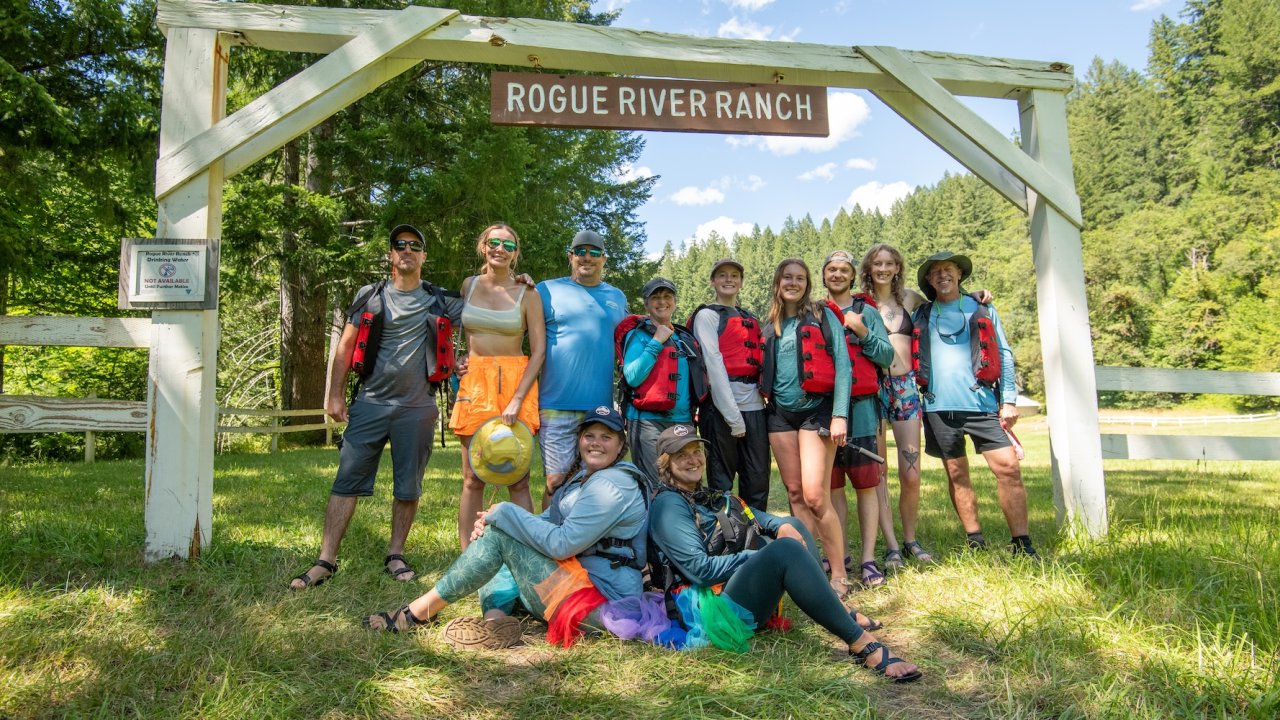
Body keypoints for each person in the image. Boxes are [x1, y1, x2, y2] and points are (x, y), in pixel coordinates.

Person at [646, 424, 921, 682]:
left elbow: (758, 517)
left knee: (792, 526)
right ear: (665, 463)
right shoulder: (669, 505)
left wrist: (780, 526)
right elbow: (700, 571)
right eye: (681, 455)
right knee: (784, 550)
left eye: (696, 452)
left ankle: (840, 609)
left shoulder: (703, 494)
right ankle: (862, 645)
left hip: (726, 589)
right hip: (707, 610)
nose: (693, 460)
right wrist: (756, 556)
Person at [363, 406, 651, 650]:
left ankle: (418, 613)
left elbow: (562, 544)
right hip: (577, 583)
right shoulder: (585, 478)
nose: (595, 443)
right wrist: (495, 519)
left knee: (502, 530)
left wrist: (504, 513)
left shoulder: (614, 485)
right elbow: (546, 521)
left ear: (620, 444)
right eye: (589, 435)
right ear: (579, 440)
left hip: (601, 607)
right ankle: (496, 623)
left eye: (606, 437)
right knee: (501, 530)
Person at [290, 224, 463, 589]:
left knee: (408, 485)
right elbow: (346, 346)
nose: (407, 250)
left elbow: (491, 304)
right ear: (390, 255)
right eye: (400, 245)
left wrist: (520, 279)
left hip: (418, 406)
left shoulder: (440, 300)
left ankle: (396, 553)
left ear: (424, 256)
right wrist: (334, 394)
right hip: (370, 402)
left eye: (415, 246)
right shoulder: (371, 295)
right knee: (346, 480)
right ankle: (326, 559)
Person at [915, 251, 1036, 556]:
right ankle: (975, 539)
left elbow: (1004, 354)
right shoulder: (922, 313)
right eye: (936, 272)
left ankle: (1022, 543)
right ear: (929, 280)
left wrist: (1008, 400)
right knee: (956, 473)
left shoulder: (981, 308)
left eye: (949, 270)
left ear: (959, 275)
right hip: (938, 408)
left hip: (982, 403)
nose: (942, 275)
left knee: (1008, 469)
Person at [760, 258, 855, 597]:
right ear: (777, 282)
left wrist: (840, 414)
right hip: (780, 416)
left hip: (817, 411)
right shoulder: (768, 324)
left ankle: (840, 572)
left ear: (807, 284)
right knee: (796, 495)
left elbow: (844, 366)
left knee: (816, 496)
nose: (793, 283)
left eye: (800, 278)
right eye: (787, 277)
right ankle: (810, 571)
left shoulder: (822, 315)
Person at [450, 223, 546, 548]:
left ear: (515, 253)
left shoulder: (528, 293)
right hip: (474, 381)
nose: (499, 249)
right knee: (471, 477)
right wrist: (456, 359)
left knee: (517, 478)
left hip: (515, 381)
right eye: (494, 242)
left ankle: (526, 553)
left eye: (507, 245)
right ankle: (469, 557)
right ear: (483, 246)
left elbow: (539, 350)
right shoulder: (468, 285)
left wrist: (518, 399)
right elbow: (449, 329)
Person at [535, 230, 629, 507]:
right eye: (580, 251)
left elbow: (629, 343)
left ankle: (582, 547)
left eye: (595, 252)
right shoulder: (545, 290)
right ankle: (549, 543)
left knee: (593, 482)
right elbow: (518, 331)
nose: (587, 257)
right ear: (570, 257)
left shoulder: (617, 296)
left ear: (604, 259)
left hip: (598, 408)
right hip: (555, 403)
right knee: (556, 483)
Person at [820, 251, 895, 587]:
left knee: (866, 485)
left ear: (852, 276)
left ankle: (867, 558)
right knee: (833, 487)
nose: (837, 275)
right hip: (826, 410)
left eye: (843, 270)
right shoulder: (816, 312)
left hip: (863, 408)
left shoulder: (867, 311)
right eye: (831, 269)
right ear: (823, 275)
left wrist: (863, 331)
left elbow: (887, 355)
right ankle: (840, 553)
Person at [861, 243, 932, 567]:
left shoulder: (910, 299)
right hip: (873, 389)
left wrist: (977, 297)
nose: (884, 268)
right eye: (878, 263)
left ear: (897, 267)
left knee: (911, 472)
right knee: (879, 472)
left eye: (889, 263)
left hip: (904, 387)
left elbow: (947, 300)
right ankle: (890, 546)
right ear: (869, 268)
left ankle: (910, 539)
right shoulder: (862, 303)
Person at [687, 258, 770, 511]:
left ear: (741, 282)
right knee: (721, 483)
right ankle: (722, 538)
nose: (729, 279)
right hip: (721, 410)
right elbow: (713, 363)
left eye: (734, 275)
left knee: (757, 480)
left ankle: (756, 537)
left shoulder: (750, 319)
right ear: (713, 281)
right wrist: (733, 418)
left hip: (754, 406)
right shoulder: (707, 316)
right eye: (722, 275)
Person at [617, 276, 706, 482]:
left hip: (682, 420)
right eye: (655, 297)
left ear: (675, 302)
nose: (662, 301)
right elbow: (633, 377)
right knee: (656, 483)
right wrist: (656, 341)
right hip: (647, 421)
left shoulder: (683, 338)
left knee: (686, 481)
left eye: (667, 296)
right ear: (646, 303)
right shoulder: (637, 335)